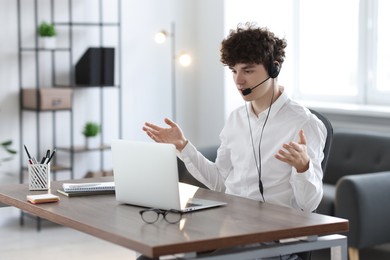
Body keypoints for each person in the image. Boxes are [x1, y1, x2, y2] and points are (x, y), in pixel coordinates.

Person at [142, 22, 326, 259]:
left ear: (273, 69)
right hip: (229, 225)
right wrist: (183, 147)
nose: (238, 80)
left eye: (248, 71)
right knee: (151, 254)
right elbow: (220, 182)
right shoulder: (236, 119)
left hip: (272, 238)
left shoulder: (303, 124)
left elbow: (309, 205)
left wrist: (303, 168)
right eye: (234, 71)